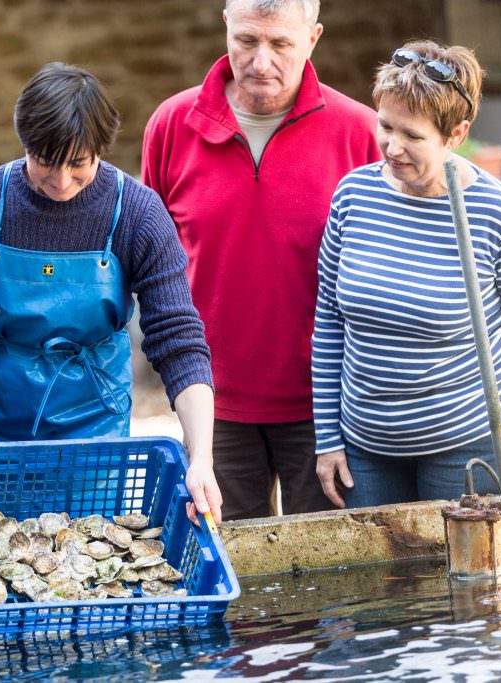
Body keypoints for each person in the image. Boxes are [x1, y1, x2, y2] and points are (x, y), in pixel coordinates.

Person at [0, 63, 222, 524]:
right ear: (24, 144)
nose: (60, 181)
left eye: (78, 164)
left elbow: (178, 340)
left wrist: (201, 457)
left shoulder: (139, 213)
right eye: (44, 161)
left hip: (91, 423)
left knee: (88, 551)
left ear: (101, 149)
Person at [141, 0, 381, 520]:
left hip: (327, 406)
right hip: (211, 403)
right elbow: (150, 264)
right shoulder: (171, 125)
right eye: (248, 41)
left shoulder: (361, 133)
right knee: (233, 569)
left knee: (325, 571)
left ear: (313, 38)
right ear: (226, 26)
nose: (261, 61)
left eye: (281, 44)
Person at [312, 40, 501, 508]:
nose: (392, 146)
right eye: (385, 126)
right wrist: (328, 436)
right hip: (367, 446)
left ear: (457, 133)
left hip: (470, 443)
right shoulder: (352, 196)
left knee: (467, 578)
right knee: (382, 577)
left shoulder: (496, 213)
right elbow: (328, 321)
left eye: (412, 135)